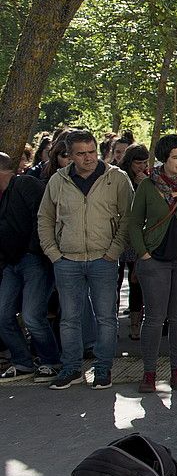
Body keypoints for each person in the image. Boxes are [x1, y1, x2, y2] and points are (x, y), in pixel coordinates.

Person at [38, 130, 133, 390]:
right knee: (69, 317)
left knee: (106, 317)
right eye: (81, 154)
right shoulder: (58, 180)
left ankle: (103, 369)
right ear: (69, 155)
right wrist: (54, 253)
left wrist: (114, 251)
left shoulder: (117, 178)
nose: (88, 158)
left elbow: (128, 218)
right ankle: (71, 368)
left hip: (104, 258)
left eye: (92, 152)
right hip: (67, 258)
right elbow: (45, 218)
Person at [127, 134, 177, 392]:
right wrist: (143, 253)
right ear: (164, 158)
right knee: (153, 318)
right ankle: (149, 373)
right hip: (155, 260)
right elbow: (133, 221)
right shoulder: (148, 185)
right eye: (176, 157)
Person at [0, 153, 61, 383]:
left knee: (33, 316)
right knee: (3, 315)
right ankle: (23, 361)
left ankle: (50, 361)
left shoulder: (25, 183)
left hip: (34, 260)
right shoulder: (4, 194)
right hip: (12, 263)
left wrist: (35, 250)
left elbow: (44, 218)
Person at [118, 144, 151, 340]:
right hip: (120, 234)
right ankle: (112, 323)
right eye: (138, 163)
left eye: (145, 162)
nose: (141, 167)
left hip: (138, 235)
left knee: (136, 280)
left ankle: (135, 323)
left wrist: (144, 184)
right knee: (115, 279)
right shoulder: (120, 178)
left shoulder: (147, 179)